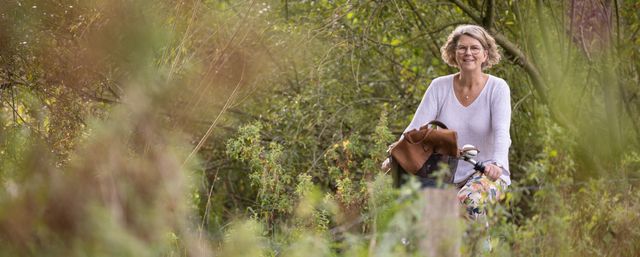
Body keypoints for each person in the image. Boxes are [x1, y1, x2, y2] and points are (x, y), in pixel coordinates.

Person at [385, 25, 511, 219]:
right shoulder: (439, 86)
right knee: (422, 217)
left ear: (485, 54)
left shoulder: (497, 88)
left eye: (474, 48)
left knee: (468, 200)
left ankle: (476, 249)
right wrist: (395, 155)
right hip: (443, 173)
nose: (468, 52)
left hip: (488, 172)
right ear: (454, 53)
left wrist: (498, 164)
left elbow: (502, 132)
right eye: (462, 48)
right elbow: (415, 129)